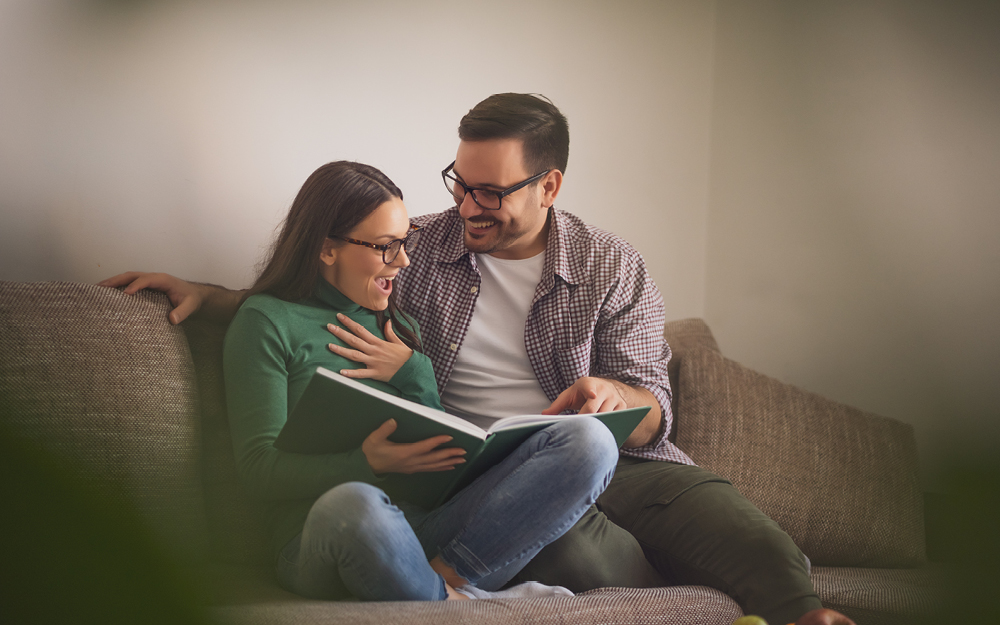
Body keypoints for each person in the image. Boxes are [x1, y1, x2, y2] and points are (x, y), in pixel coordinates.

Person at [100, 94, 855, 625]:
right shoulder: (420, 245)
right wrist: (213, 295)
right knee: (583, 559)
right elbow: (318, 284)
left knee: (731, 522)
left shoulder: (611, 266)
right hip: (479, 469)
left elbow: (656, 404)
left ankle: (801, 613)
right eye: (459, 184)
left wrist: (609, 392)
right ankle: (464, 591)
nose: (467, 208)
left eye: (491, 191)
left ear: (549, 185)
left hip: (604, 453)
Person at [216, 159, 619, 602]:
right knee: (355, 503)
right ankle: (469, 603)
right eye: (386, 247)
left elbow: (442, 462)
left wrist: (415, 371)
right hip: (326, 537)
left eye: (404, 243)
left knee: (590, 440)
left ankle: (443, 586)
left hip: (427, 533)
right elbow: (257, 471)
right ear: (326, 248)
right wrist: (365, 465)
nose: (403, 261)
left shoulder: (400, 328)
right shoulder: (267, 322)